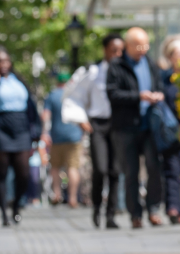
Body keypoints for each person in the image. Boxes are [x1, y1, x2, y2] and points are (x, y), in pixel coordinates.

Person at [106, 27, 166, 229]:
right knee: (131, 172)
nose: (143, 49)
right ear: (127, 46)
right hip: (125, 128)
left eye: (146, 45)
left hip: (149, 125)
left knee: (154, 167)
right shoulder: (116, 66)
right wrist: (138, 96)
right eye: (139, 45)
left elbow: (159, 86)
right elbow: (113, 94)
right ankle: (135, 215)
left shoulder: (150, 63)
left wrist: (157, 95)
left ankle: (154, 209)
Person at [65, 33, 125, 229]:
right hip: (98, 124)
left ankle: (111, 215)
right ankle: (97, 207)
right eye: (113, 50)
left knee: (115, 170)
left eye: (120, 51)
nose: (117, 54)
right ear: (105, 50)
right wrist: (82, 119)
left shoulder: (124, 71)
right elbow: (74, 96)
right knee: (100, 168)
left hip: (118, 124)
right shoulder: (93, 72)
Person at [0, 49, 42, 226]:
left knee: (23, 173)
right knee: (1, 174)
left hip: (21, 128)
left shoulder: (18, 80)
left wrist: (37, 130)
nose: (3, 64)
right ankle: (4, 215)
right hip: (0, 129)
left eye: (6, 61)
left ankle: (16, 206)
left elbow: (31, 106)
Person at [155, 35, 180, 225]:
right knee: (172, 170)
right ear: (170, 57)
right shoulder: (164, 79)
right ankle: (173, 208)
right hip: (170, 132)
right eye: (179, 54)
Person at [44, 72, 86, 208]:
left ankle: (57, 194)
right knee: (73, 167)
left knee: (55, 167)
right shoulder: (75, 95)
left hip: (56, 137)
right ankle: (73, 198)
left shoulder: (52, 95)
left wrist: (45, 132)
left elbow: (45, 115)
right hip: (74, 137)